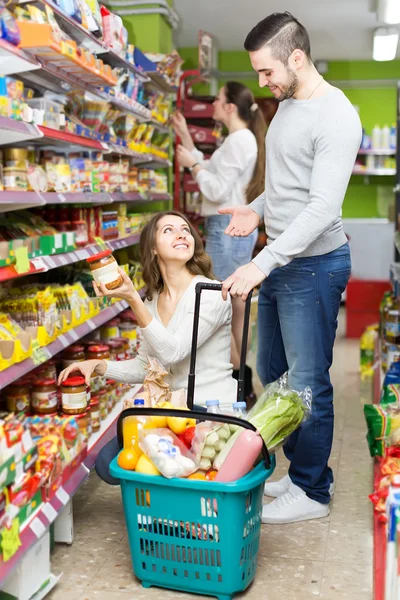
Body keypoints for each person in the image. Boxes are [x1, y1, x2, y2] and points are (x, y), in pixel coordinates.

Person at [221, 12, 362, 524]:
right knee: (272, 372)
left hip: (314, 265)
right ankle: (298, 468)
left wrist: (260, 264)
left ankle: (312, 489)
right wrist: (255, 209)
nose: (263, 83)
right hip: (283, 259)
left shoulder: (337, 116)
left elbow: (321, 208)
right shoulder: (287, 106)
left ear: (296, 58)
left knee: (307, 382)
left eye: (266, 72)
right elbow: (287, 184)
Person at [58, 211, 237, 483]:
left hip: (209, 411)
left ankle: (175, 508)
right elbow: (147, 365)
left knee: (157, 465)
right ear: (153, 248)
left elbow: (173, 352)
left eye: (185, 230)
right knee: (107, 463)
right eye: (168, 230)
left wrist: (132, 299)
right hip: (175, 412)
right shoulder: (153, 300)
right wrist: (98, 366)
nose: (181, 234)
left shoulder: (211, 293)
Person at [172, 81, 266, 401]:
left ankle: (236, 381)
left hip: (226, 227)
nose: (212, 102)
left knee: (223, 301)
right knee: (234, 300)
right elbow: (210, 166)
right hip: (230, 227)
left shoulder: (240, 141)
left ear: (229, 107)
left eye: (217, 98)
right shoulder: (237, 140)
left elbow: (213, 188)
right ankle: (241, 379)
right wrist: (185, 133)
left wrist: (193, 166)